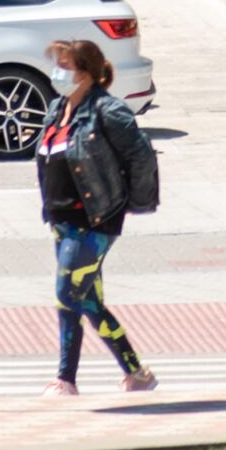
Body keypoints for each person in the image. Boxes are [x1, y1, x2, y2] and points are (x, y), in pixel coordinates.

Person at [34, 37, 158, 399]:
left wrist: (131, 203)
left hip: (94, 221)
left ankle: (65, 379)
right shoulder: (58, 107)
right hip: (60, 221)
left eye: (65, 66)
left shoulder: (108, 110)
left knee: (67, 293)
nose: (58, 73)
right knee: (85, 299)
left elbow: (141, 156)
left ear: (87, 73)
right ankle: (135, 374)